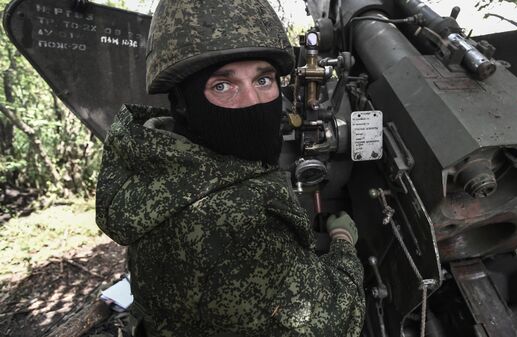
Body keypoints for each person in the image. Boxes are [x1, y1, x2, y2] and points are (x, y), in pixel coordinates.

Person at [95, 0, 365, 336]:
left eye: (263, 80)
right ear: (182, 101)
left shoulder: (153, 157)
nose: (252, 101)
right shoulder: (239, 225)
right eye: (223, 85)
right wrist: (342, 241)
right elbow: (338, 321)